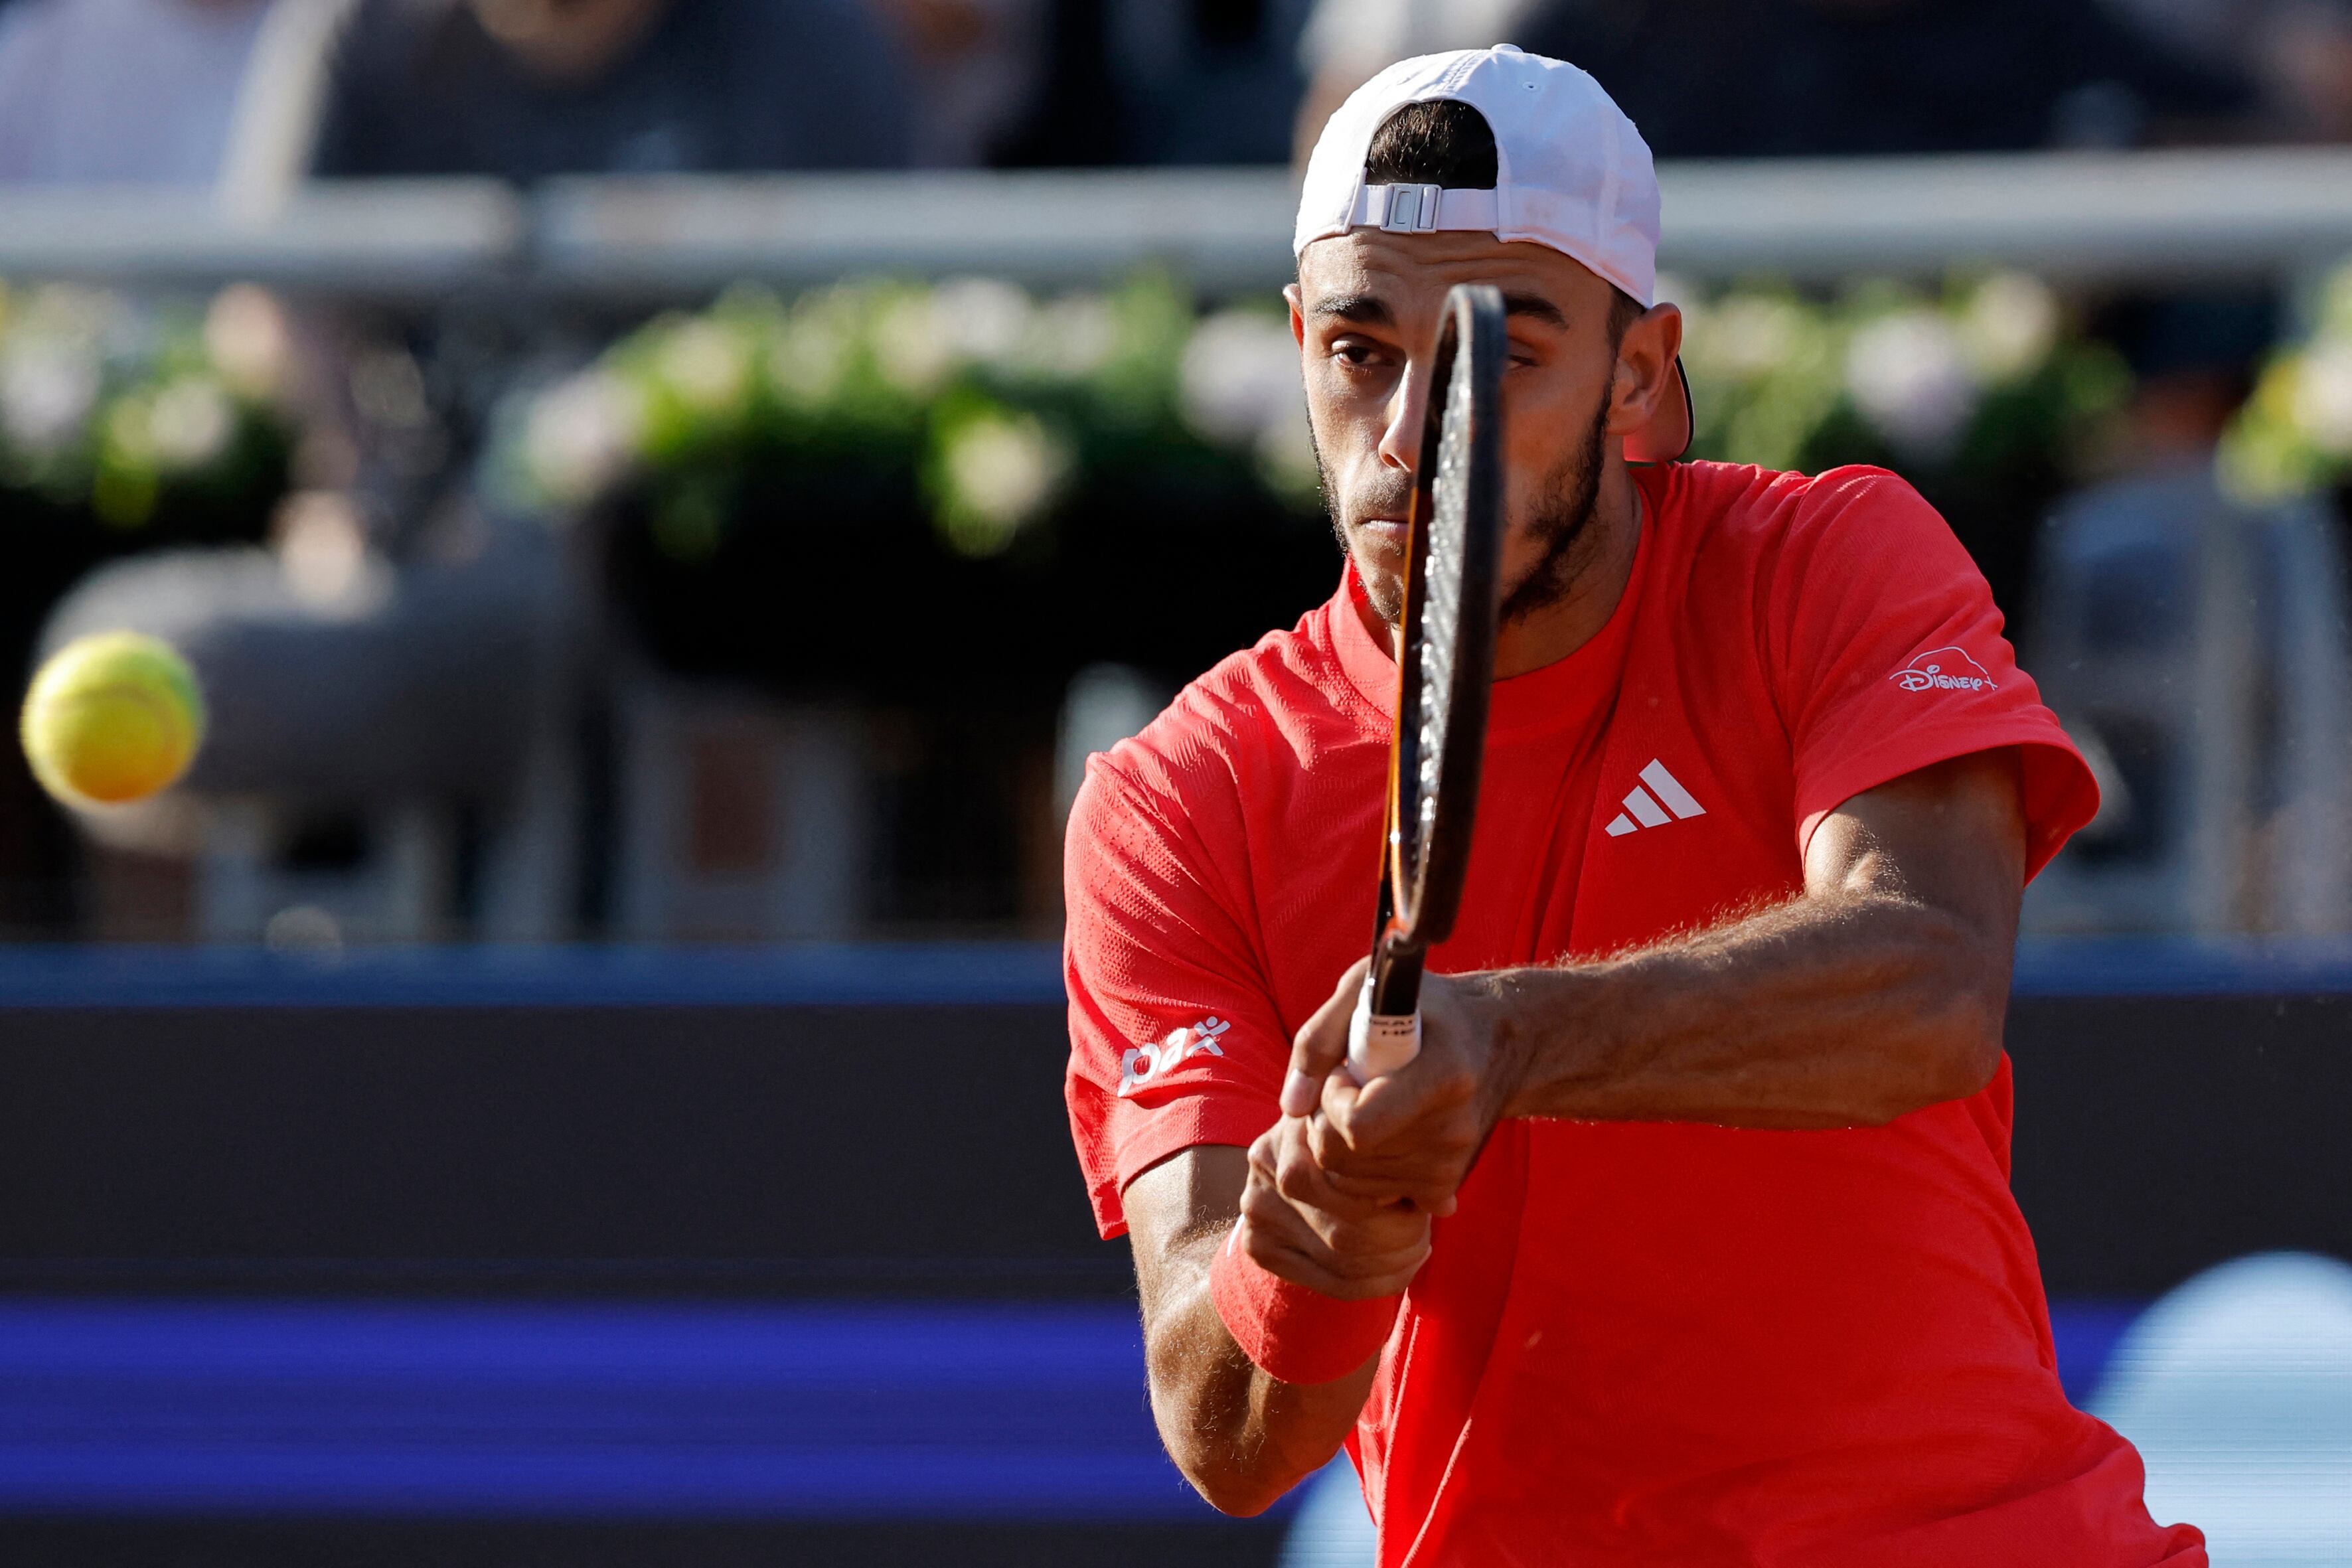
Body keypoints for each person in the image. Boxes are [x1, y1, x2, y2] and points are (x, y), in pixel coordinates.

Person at [1061, 46, 2207, 1565]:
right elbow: (1223, 1434)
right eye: (1358, 349)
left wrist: (1503, 1039)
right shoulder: (1174, 799)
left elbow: (1929, 980)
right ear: (1295, 347)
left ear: (1643, 377)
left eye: (1499, 356)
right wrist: (1319, 1236)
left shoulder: (1824, 560)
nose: (1409, 433)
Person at [313, 0, 909, 181]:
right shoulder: (370, 30)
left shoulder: (811, 41)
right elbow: (285, 304)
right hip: (416, 443)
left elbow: (899, 311)